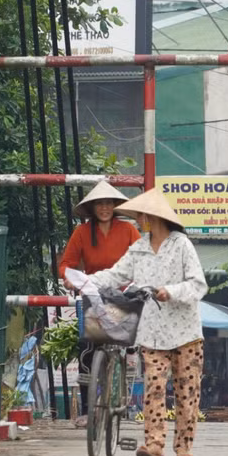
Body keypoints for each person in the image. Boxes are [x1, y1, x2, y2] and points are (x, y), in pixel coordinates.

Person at [87, 188, 207, 456]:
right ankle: (154, 444)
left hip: (185, 332)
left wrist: (171, 292)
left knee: (186, 392)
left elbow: (198, 284)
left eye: (142, 215)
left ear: (155, 217)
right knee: (154, 387)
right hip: (151, 332)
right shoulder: (138, 249)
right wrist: (86, 280)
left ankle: (184, 446)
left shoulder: (181, 245)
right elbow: (115, 274)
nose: (139, 220)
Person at [58, 181, 140, 424]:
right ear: (92, 208)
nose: (104, 208)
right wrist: (69, 278)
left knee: (129, 343)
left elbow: (142, 258)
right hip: (93, 294)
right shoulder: (81, 233)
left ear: (114, 206)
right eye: (99, 204)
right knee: (87, 347)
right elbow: (66, 264)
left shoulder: (128, 230)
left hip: (122, 294)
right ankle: (86, 409)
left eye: (108, 203)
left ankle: (124, 397)